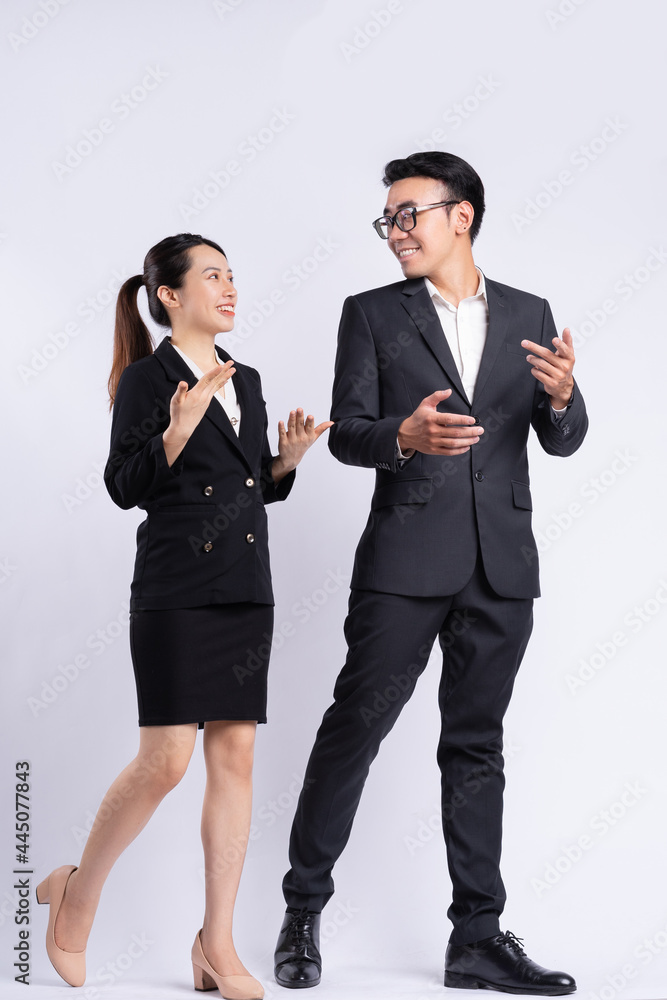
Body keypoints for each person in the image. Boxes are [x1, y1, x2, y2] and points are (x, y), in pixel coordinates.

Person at [273, 152, 588, 995]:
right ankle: (301, 913)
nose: (395, 231)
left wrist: (563, 398)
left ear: (463, 215)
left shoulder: (529, 311)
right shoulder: (372, 315)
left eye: (409, 214)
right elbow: (347, 433)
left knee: (475, 747)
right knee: (353, 733)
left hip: (499, 567)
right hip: (403, 562)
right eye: (388, 219)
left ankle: (476, 940)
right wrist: (400, 439)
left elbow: (559, 439)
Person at [36, 233, 331, 999]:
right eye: (212, 276)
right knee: (165, 760)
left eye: (233, 275)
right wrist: (171, 431)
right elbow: (122, 485)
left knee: (235, 761)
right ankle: (76, 893)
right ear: (169, 295)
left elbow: (244, 490)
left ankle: (216, 943)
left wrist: (284, 465)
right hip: (173, 591)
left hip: (244, 589)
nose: (229, 288)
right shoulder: (147, 378)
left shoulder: (248, 378)